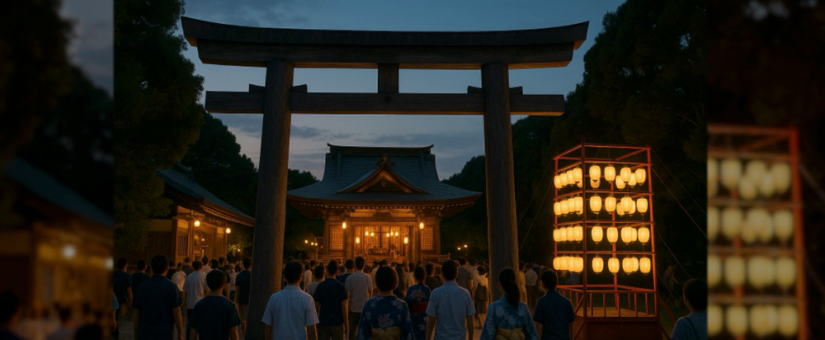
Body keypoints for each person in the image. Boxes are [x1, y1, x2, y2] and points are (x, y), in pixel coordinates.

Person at [262, 260, 319, 340]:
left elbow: (268, 326)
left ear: (284, 277)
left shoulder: (274, 298)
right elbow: (311, 330)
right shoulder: (308, 299)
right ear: (301, 277)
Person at [132, 254, 184, 340]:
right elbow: (177, 313)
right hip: (165, 333)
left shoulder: (141, 288)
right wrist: (180, 333)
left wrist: (136, 335)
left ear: (151, 268)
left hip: (145, 333)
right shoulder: (172, 287)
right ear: (167, 268)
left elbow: (137, 314)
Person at [479, 268, 538, 340]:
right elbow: (532, 334)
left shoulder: (494, 307)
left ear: (499, 284)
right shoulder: (523, 307)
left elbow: (488, 335)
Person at [357, 267, 414, 340]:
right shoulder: (402, 305)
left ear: (376, 282)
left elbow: (362, 334)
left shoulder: (369, 305)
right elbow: (408, 334)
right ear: (396, 283)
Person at [425, 260, 475, 340]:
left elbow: (431, 319)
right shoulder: (465, 293)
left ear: (442, 274)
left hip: (441, 337)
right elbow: (470, 319)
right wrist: (471, 338)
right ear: (456, 274)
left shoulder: (436, 293)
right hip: (459, 337)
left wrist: (427, 337)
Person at [189, 270, 241, 340]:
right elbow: (233, 332)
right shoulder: (230, 305)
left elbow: (193, 331)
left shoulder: (199, 305)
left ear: (207, 284)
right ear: (223, 284)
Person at [533, 269, 575, 340]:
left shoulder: (541, 302)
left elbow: (539, 328)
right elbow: (570, 327)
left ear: (542, 283)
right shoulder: (567, 302)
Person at [313, 261, 348, 340]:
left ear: (327, 270)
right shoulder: (341, 287)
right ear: (337, 271)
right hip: (337, 322)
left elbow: (316, 306)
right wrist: (346, 325)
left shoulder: (320, 286)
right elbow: (344, 308)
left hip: (323, 321)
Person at [344, 256, 373, 340]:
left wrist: (347, 309)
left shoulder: (349, 278)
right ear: (364, 266)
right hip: (364, 308)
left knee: (352, 331)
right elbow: (370, 293)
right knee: (364, 331)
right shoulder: (368, 278)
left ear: (355, 266)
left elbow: (348, 296)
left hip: (353, 309)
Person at [184, 261, 209, 340]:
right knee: (201, 325)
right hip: (201, 303)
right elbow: (206, 290)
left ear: (193, 267)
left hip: (190, 303)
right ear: (201, 267)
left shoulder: (189, 277)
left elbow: (185, 290)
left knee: (190, 324)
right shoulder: (203, 277)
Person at [405, 266, 431, 340]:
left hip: (413, 317)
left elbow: (408, 304)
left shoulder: (411, 289)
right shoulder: (427, 289)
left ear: (415, 276)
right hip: (424, 318)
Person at [112, 258, 132, 339]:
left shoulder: (112, 274)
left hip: (112, 299)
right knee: (118, 321)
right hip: (122, 301)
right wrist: (130, 302)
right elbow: (129, 291)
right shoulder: (127, 275)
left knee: (113, 319)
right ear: (125, 265)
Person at [234, 258, 252, 337]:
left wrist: (236, 299)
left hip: (242, 299)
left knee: (243, 317)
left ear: (243, 265)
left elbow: (237, 289)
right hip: (251, 299)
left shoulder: (239, 275)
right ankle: (246, 331)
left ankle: (244, 332)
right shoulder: (253, 275)